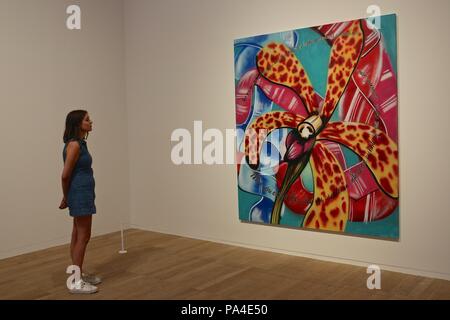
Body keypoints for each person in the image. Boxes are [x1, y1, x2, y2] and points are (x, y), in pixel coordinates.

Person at [59, 110, 101, 294]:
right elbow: (65, 175)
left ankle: (78, 274)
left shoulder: (79, 144)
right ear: (78, 124)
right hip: (80, 194)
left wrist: (67, 195)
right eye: (86, 119)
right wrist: (66, 197)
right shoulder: (75, 146)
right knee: (83, 236)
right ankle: (76, 281)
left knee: (77, 234)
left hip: (81, 192)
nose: (90, 121)